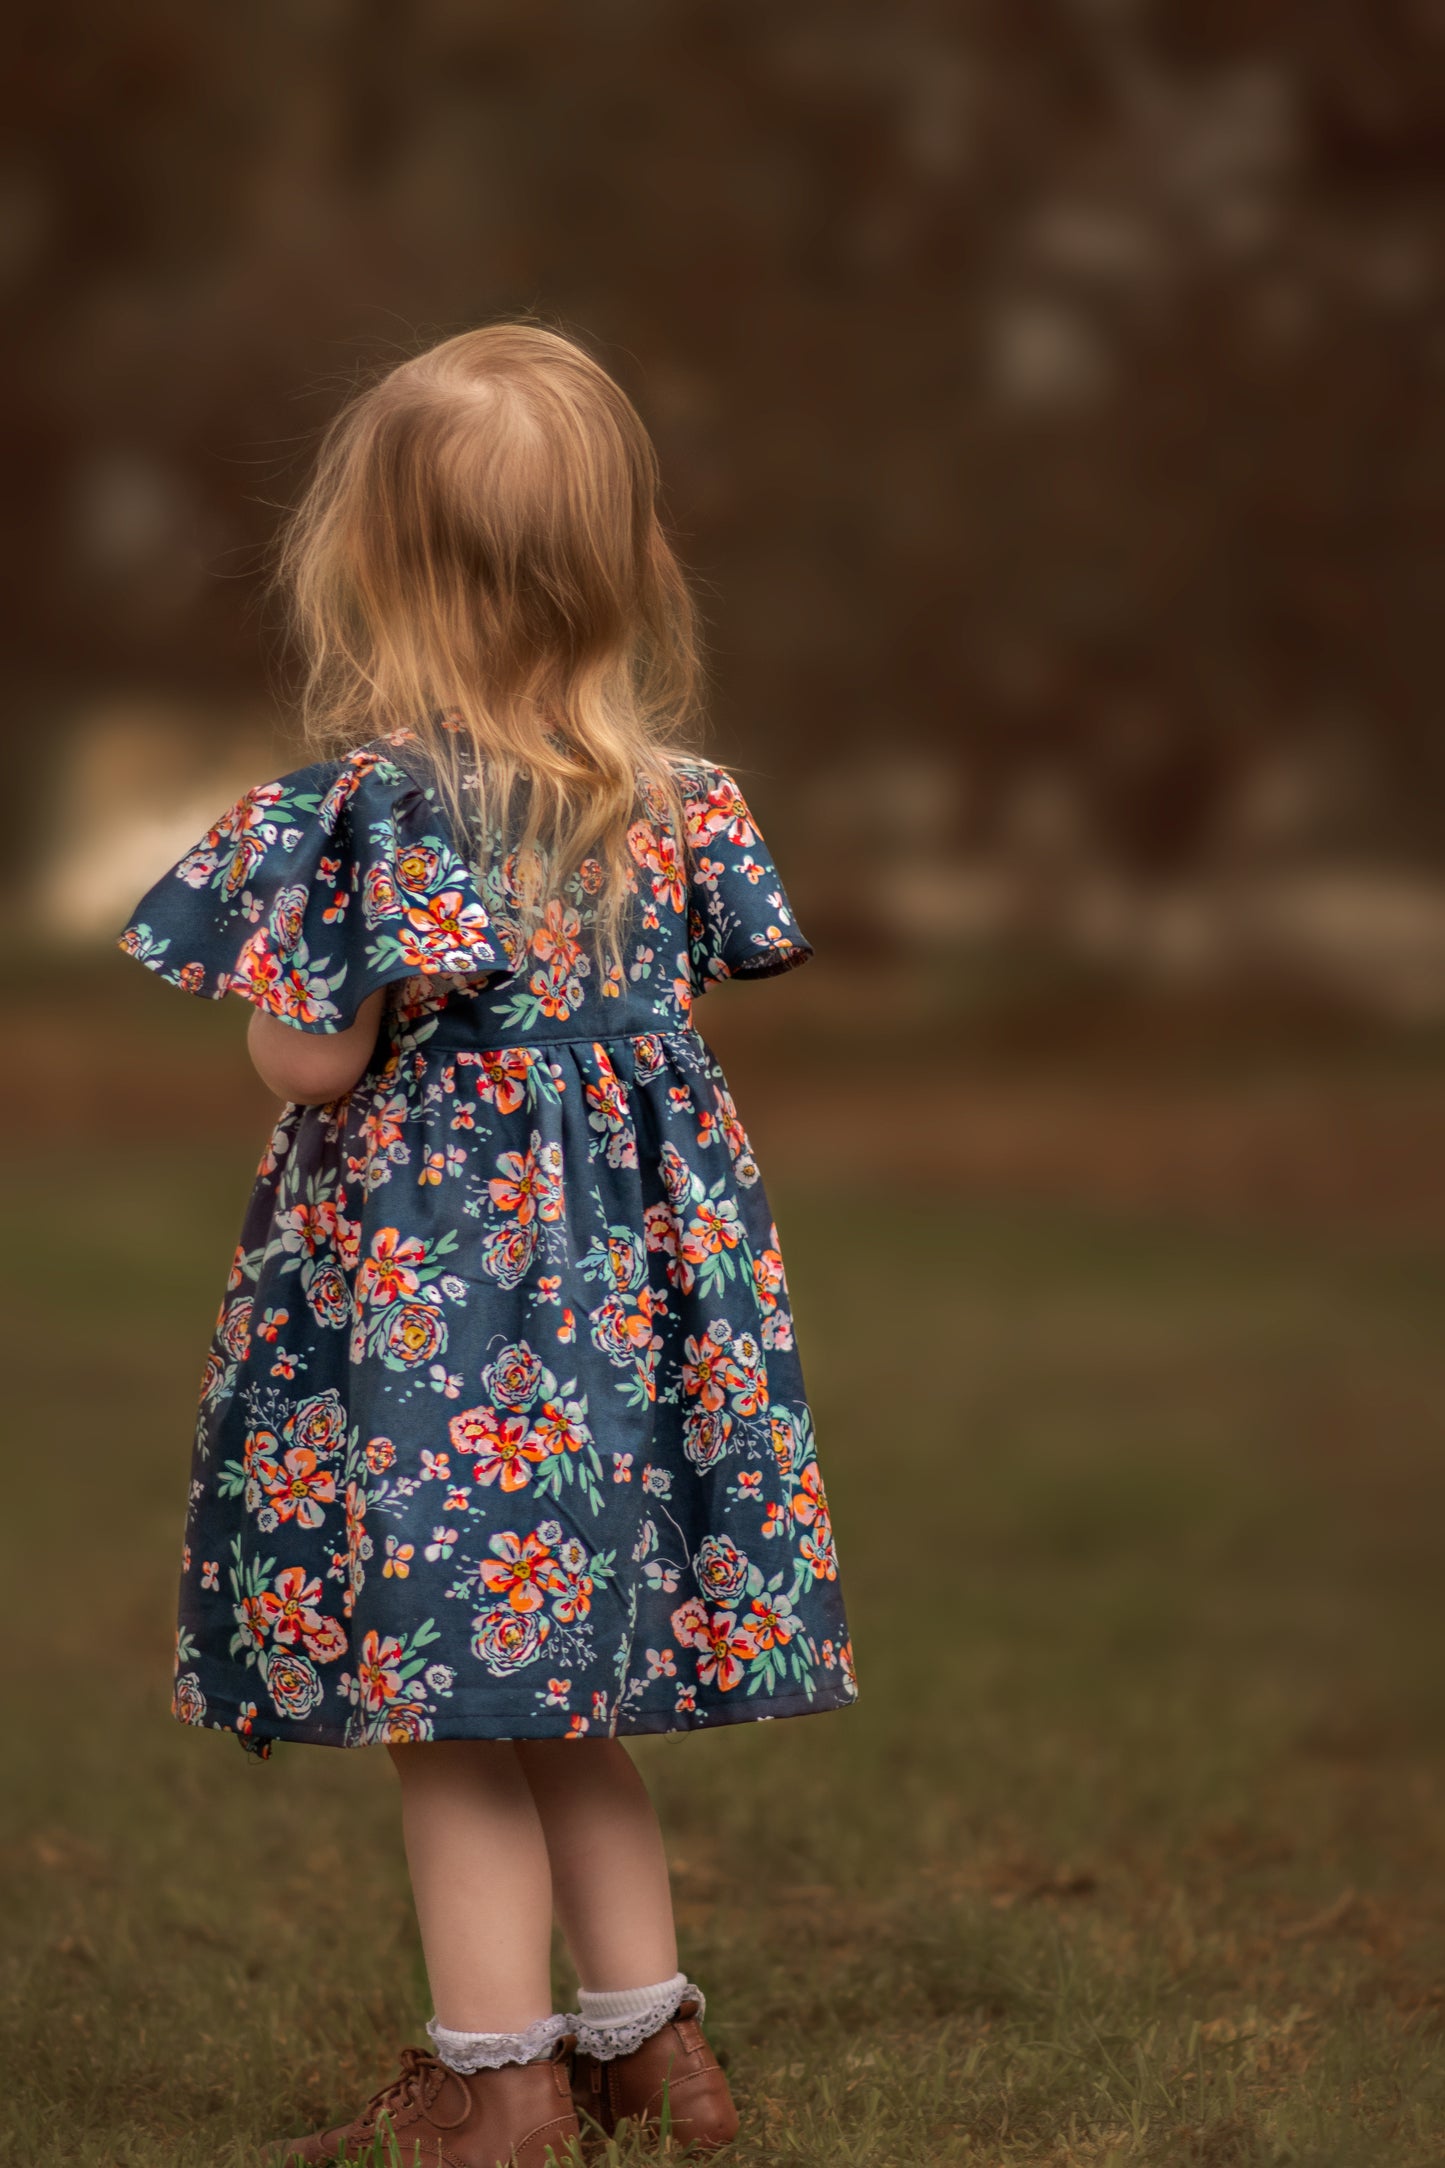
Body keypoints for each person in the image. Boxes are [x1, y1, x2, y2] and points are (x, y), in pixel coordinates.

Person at [120, 321, 857, 2168]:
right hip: (621, 1329)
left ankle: (493, 2076)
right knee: (566, 1695)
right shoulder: (674, 804)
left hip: (440, 1329)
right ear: (623, 564)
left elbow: (308, 1060)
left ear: (372, 559)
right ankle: (646, 2050)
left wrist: (317, 1014)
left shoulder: (371, 813)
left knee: (449, 1714)